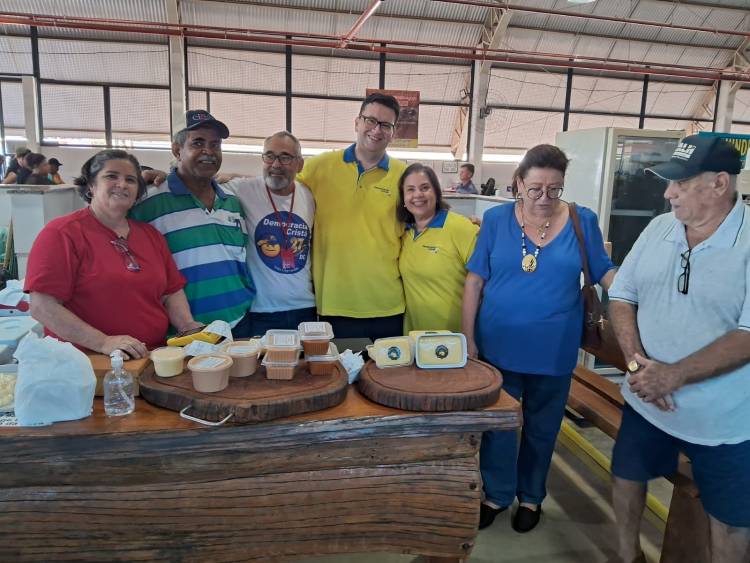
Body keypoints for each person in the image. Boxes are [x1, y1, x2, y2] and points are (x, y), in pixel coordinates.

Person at [608, 135, 750, 563]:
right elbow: (622, 296)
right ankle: (628, 557)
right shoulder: (659, 228)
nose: (668, 193)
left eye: (681, 183)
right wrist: (637, 365)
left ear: (719, 183)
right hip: (647, 399)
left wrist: (674, 374)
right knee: (626, 477)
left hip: (723, 421)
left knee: (730, 519)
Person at [462, 144, 616, 533]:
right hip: (497, 345)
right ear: (518, 183)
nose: (544, 198)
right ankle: (496, 494)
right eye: (535, 189)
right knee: (498, 426)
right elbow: (475, 279)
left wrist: (641, 296)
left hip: (555, 347)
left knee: (542, 427)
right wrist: (469, 337)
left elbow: (603, 271)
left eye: (554, 189)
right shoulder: (496, 219)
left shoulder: (583, 220)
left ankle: (531, 497)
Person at [24, 149, 201, 359]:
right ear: (91, 185)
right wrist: (103, 342)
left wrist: (187, 325)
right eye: (111, 176)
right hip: (88, 363)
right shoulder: (61, 233)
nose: (122, 184)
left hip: (150, 359)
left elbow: (171, 291)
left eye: (130, 179)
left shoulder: (151, 235)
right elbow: (42, 306)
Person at [130, 110, 256, 338]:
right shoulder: (148, 203)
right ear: (177, 150)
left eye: (215, 144)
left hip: (239, 324)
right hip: (183, 332)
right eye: (197, 143)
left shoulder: (232, 202)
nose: (208, 151)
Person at [297, 92, 407, 341]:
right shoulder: (319, 167)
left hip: (388, 305)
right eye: (370, 120)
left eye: (386, 125)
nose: (376, 130)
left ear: (393, 132)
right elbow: (280, 189)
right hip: (335, 304)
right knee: (340, 378)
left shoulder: (405, 175)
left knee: (386, 379)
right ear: (357, 122)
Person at [222, 131, 316, 335]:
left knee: (306, 367)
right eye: (270, 156)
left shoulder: (309, 195)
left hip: (306, 308)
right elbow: (198, 180)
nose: (276, 164)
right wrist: (159, 176)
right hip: (262, 312)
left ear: (299, 164)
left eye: (285, 157)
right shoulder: (243, 189)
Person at [396, 163, 478, 333]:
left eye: (425, 188)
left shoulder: (461, 227)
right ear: (403, 198)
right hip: (416, 338)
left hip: (455, 339)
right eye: (410, 190)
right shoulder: (404, 233)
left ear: (436, 192)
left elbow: (483, 284)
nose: (418, 194)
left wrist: (469, 336)